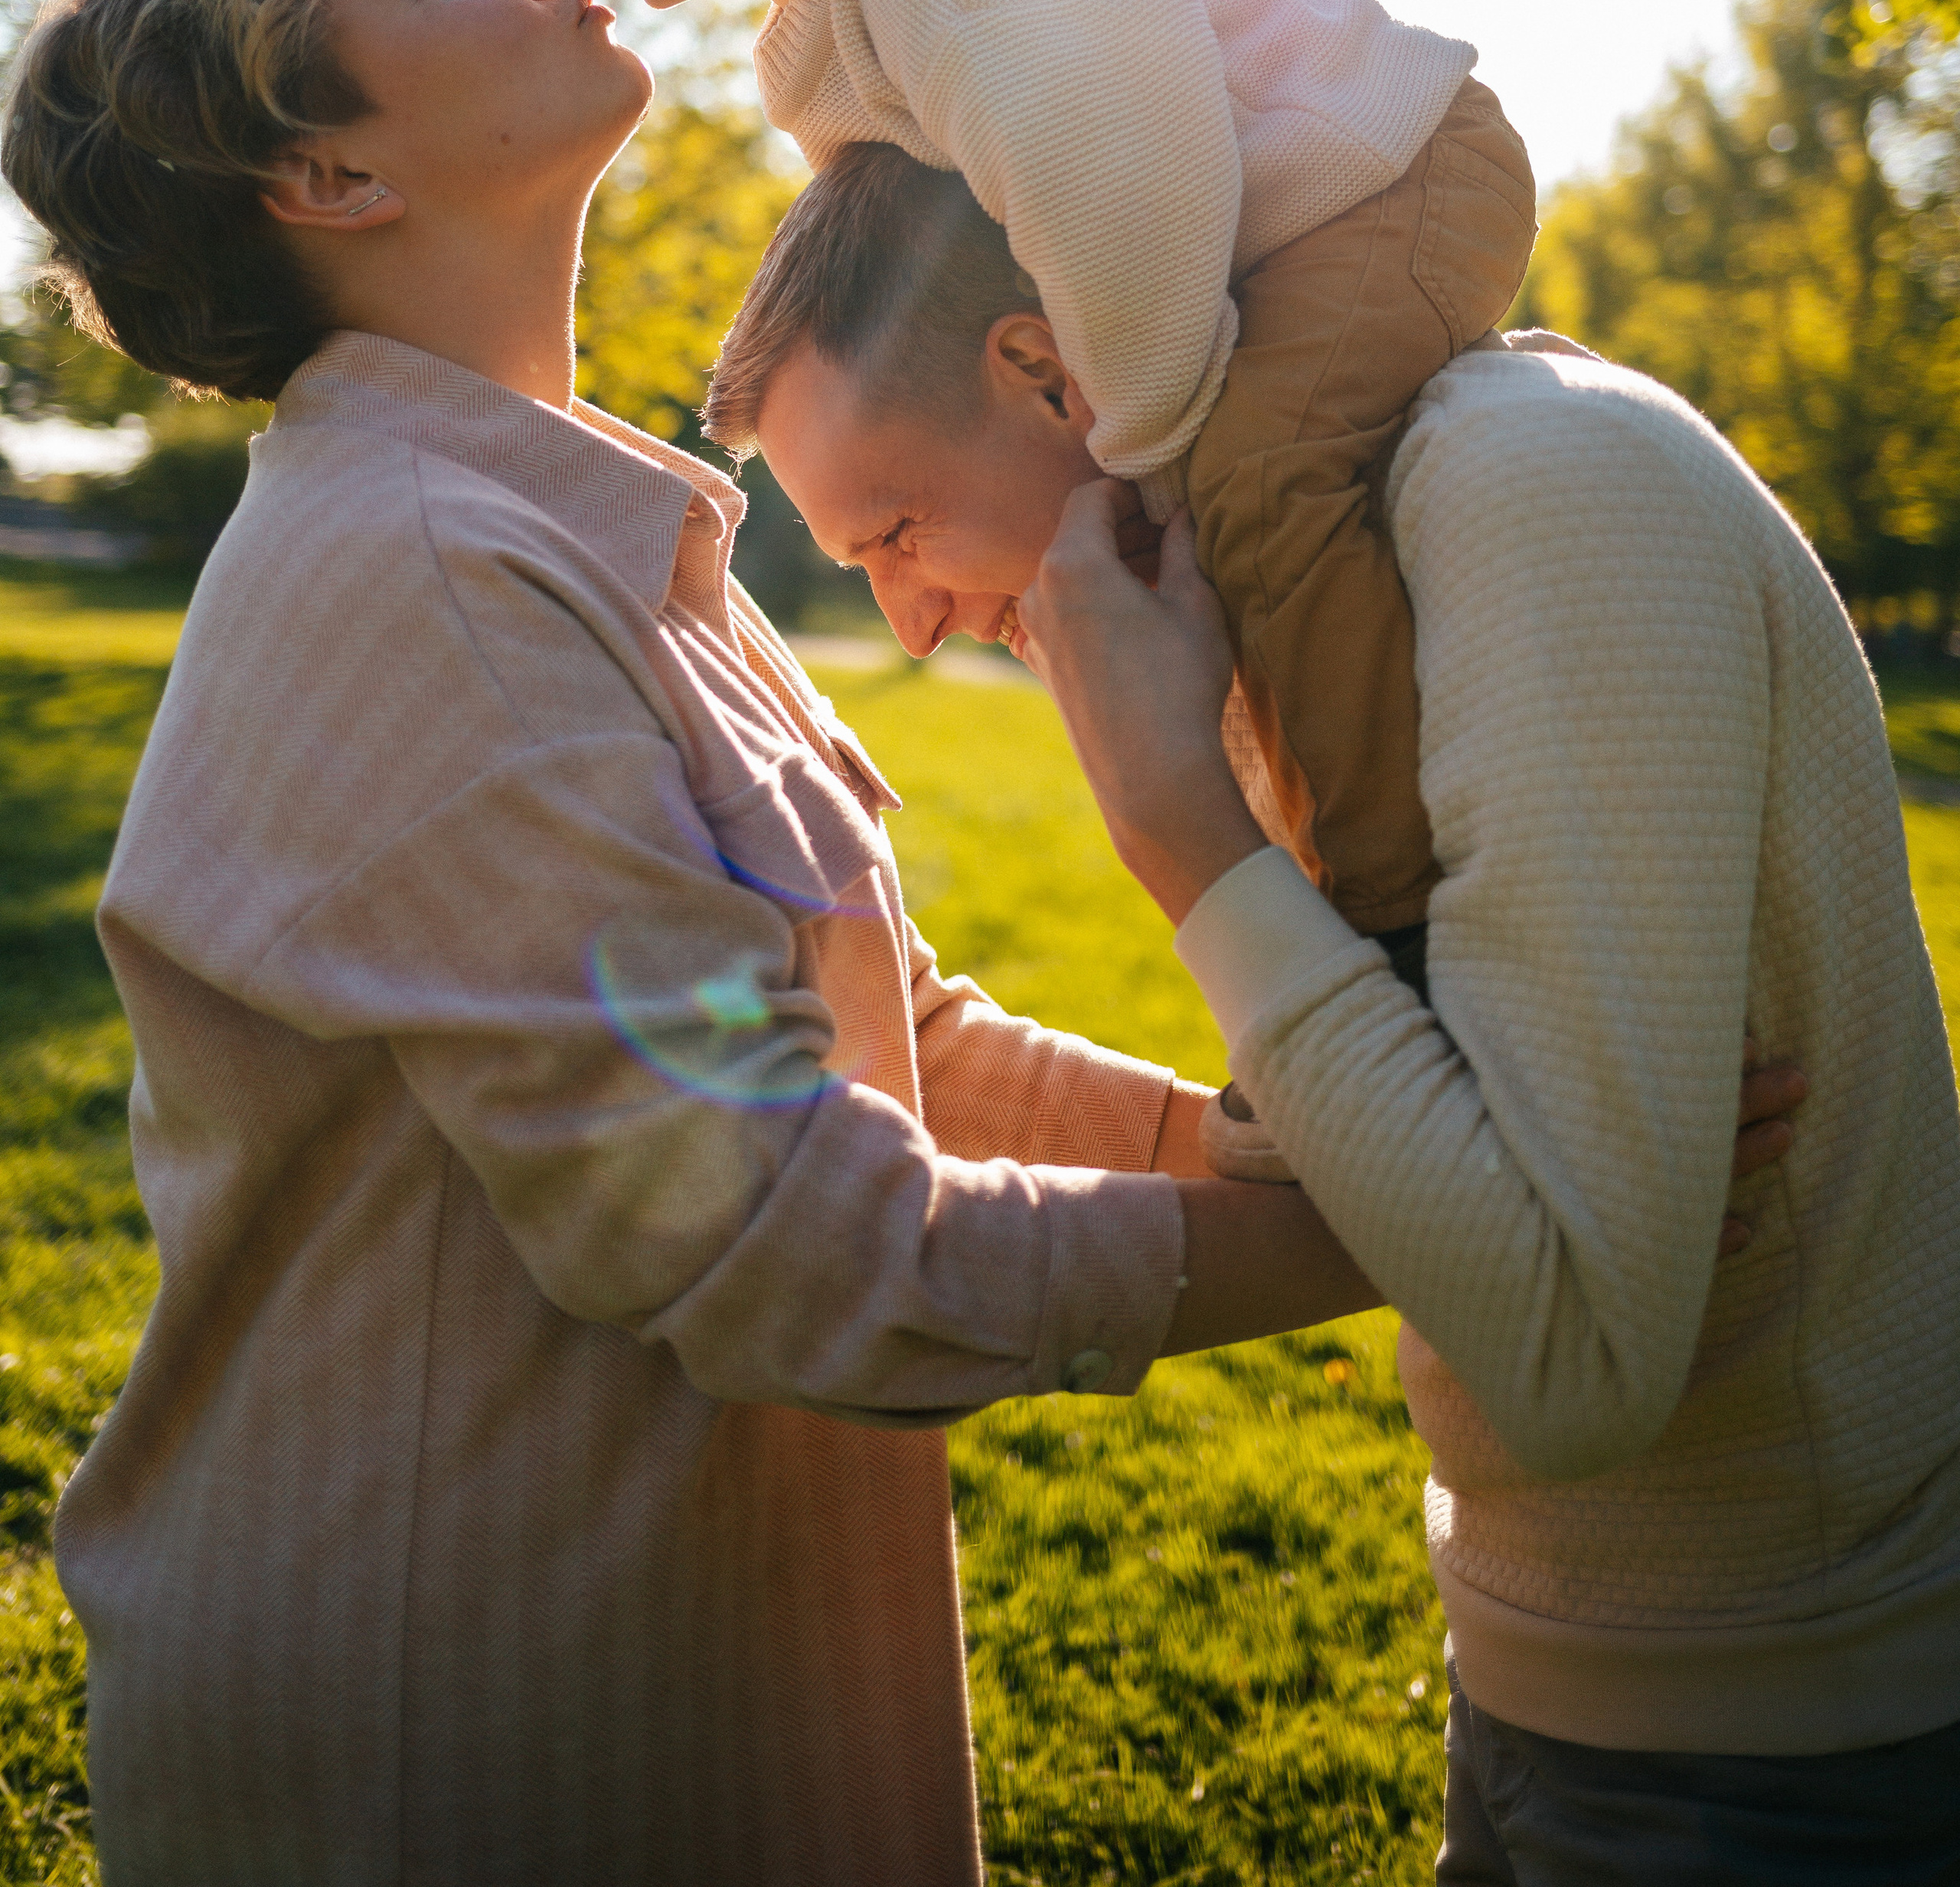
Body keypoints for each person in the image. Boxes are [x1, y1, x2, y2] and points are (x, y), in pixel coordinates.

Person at [1, 0, 1385, 1887]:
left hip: (703, 1693)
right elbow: (795, 1250)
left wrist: (1319, 1147)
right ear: (336, 179)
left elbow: (874, 1040)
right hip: (462, 1755)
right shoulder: (427, 579)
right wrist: (1420, 1230)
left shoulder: (585, 529)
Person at [721, 139, 1960, 1884]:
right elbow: (1410, 1164)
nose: (913, 623)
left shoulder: (1527, 490)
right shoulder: (1281, 599)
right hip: (1549, 1688)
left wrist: (1186, 838)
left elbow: (1564, 1350)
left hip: (1786, 1738)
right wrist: (1356, 1129)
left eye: (897, 532)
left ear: (1044, 370)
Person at [529, 0, 1537, 1015]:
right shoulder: (822, 23)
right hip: (1275, 224)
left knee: (1252, 497)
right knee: (1224, 573)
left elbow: (1112, 125)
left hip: (1380, 167)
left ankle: (1414, 942)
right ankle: (1337, 898)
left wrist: (1139, 444)